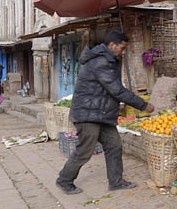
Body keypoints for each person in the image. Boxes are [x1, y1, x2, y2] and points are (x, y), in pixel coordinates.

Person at [56, 31, 155, 195]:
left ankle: (116, 182)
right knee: (84, 150)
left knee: (114, 145)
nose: (123, 52)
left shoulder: (108, 60)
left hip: (100, 114)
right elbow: (116, 90)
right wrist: (142, 104)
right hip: (88, 114)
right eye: (122, 48)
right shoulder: (100, 62)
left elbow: (109, 90)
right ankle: (64, 180)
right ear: (112, 45)